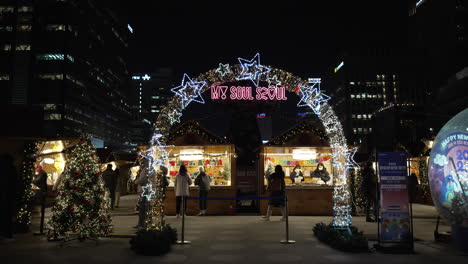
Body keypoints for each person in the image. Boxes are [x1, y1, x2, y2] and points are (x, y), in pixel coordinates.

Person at [0, 154, 19, 239]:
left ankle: (5, 232)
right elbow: (15, 183)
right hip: (9, 196)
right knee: (8, 215)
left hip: (6, 196)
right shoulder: (12, 169)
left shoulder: (4, 170)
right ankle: (7, 233)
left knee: (5, 215)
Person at [134, 162, 149, 229]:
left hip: (144, 191)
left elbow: (143, 179)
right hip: (144, 190)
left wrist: (136, 181)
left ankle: (142, 224)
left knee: (142, 208)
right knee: (142, 208)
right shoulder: (146, 169)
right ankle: (141, 223)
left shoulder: (145, 169)